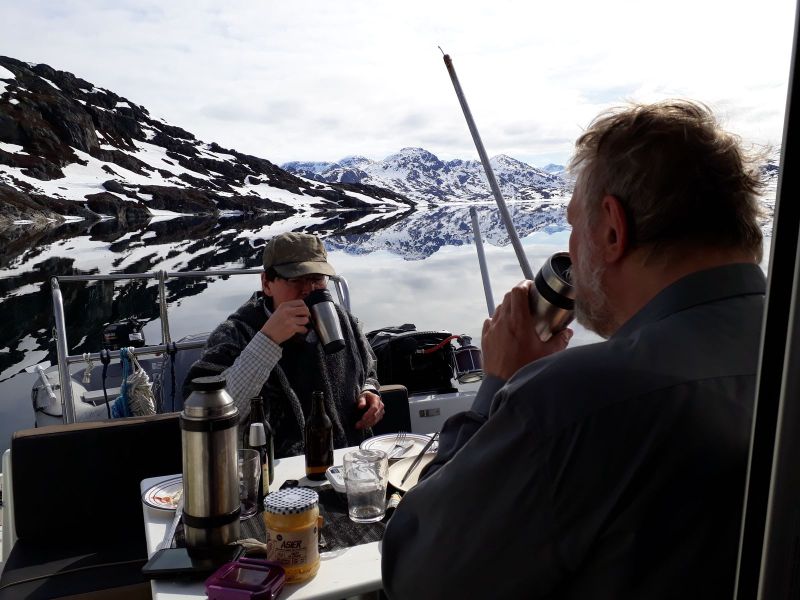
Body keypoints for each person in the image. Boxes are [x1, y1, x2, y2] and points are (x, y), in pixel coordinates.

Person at [381, 100, 766, 599]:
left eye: (571, 223)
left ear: (611, 229)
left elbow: (416, 576)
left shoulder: (567, 401)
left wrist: (501, 386)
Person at [184, 232, 384, 457]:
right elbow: (207, 412)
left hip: (347, 460)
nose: (308, 289)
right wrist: (267, 341)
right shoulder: (235, 333)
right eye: (296, 279)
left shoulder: (342, 320)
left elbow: (368, 369)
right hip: (272, 472)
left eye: (317, 278)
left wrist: (369, 393)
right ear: (267, 283)